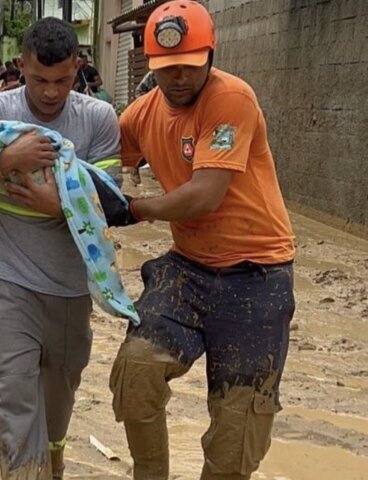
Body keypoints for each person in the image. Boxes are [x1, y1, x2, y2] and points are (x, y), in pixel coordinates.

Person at [109, 2, 296, 480]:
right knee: (136, 373)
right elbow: (99, 165)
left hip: (257, 275)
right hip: (188, 267)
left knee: (237, 436)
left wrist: (134, 208)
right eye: (166, 68)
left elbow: (205, 195)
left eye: (189, 66)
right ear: (151, 65)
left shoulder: (232, 99)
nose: (178, 78)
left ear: (211, 55)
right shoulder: (141, 114)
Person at [0, 17, 123, 479]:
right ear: (21, 66)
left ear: (78, 68)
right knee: (14, 407)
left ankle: (53, 461)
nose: (50, 93)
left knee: (58, 403)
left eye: (62, 81)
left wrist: (61, 207)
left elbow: (113, 203)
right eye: (39, 80)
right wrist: (7, 160)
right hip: (10, 284)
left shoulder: (97, 118)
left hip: (72, 292)